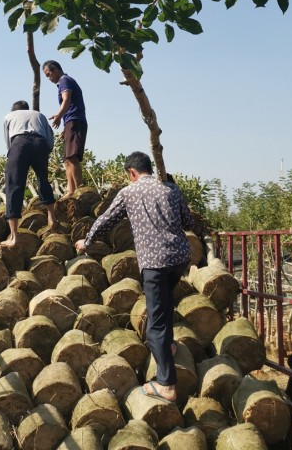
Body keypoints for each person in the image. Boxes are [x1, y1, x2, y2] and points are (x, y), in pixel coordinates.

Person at [75, 151, 194, 403]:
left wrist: (87, 241)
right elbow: (188, 220)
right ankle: (169, 349)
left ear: (131, 172)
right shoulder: (170, 187)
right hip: (180, 257)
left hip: (155, 263)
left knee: (155, 328)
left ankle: (166, 385)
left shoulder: (129, 192)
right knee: (163, 308)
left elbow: (106, 219)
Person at [1, 100, 56, 247]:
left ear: (14, 110)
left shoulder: (9, 116)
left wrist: (13, 156)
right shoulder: (39, 115)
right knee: (43, 179)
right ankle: (52, 218)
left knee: (14, 185)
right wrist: (44, 152)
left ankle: (14, 236)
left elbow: (9, 142)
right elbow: (50, 138)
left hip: (19, 143)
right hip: (40, 143)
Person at [42, 60, 87, 197]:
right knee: (67, 159)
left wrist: (58, 116)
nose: (49, 79)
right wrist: (65, 126)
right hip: (71, 122)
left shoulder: (64, 80)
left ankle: (78, 190)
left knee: (72, 157)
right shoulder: (63, 82)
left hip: (75, 120)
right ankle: (70, 190)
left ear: (55, 69)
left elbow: (66, 100)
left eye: (49, 74)